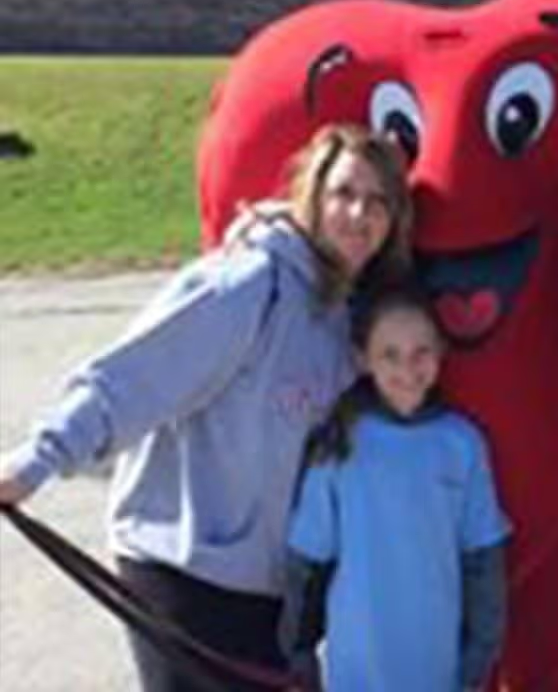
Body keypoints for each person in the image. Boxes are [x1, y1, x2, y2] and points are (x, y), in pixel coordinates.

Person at [0, 123, 414, 692]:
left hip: (268, 587)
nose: (359, 214)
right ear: (312, 195)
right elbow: (134, 377)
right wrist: (36, 460)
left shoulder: (346, 320)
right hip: (183, 567)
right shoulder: (249, 284)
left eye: (378, 202)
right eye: (344, 193)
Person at [280, 284, 510, 692]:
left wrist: (480, 653)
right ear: (363, 359)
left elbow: (483, 559)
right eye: (390, 354)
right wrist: (298, 651)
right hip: (355, 672)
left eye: (421, 352)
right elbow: (308, 562)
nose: (407, 368)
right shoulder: (340, 442)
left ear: (441, 352)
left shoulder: (463, 444)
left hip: (436, 669)